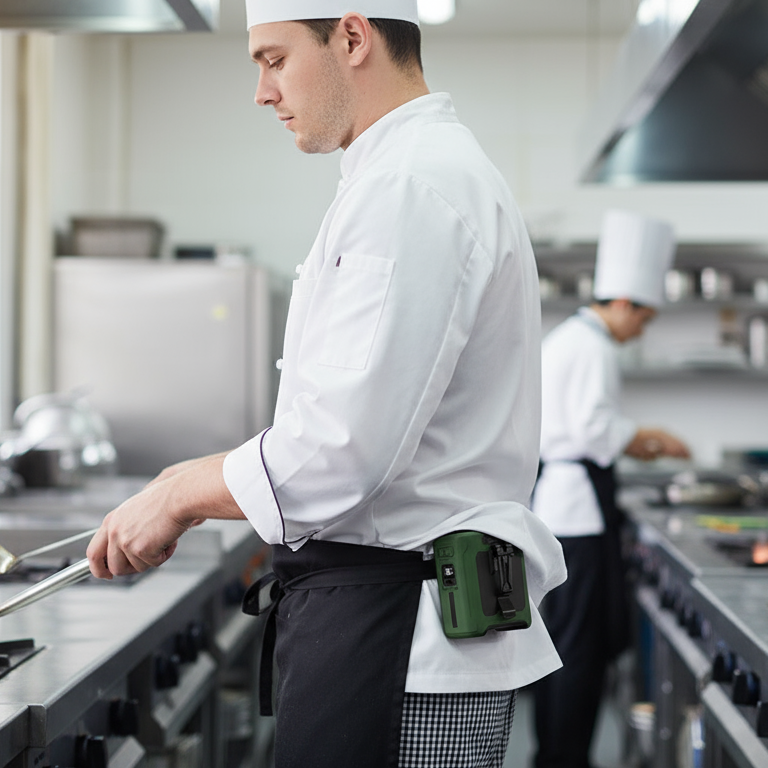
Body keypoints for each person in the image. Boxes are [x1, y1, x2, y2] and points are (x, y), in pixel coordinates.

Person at [86, 2, 567, 766]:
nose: (261, 92)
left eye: (274, 60)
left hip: (401, 639)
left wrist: (179, 493)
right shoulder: (401, 174)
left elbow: (340, 452)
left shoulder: (413, 187)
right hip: (386, 621)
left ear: (351, 36)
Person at [531, 209, 691, 768]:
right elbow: (594, 429)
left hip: (562, 507)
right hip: (577, 514)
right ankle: (565, 757)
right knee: (581, 648)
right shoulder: (592, 347)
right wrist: (648, 437)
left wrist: (635, 436)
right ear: (624, 303)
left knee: (562, 643)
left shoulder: (569, 337)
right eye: (643, 319)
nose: (641, 331)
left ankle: (554, 752)